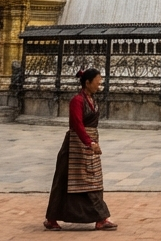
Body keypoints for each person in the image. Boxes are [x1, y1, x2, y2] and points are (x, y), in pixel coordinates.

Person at [44, 68, 116, 232]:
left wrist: (92, 142)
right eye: (97, 82)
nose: (99, 85)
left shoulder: (92, 99)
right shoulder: (77, 100)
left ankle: (100, 218)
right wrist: (89, 142)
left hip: (89, 143)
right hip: (75, 145)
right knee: (65, 182)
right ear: (87, 83)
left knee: (93, 179)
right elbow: (77, 124)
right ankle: (52, 218)